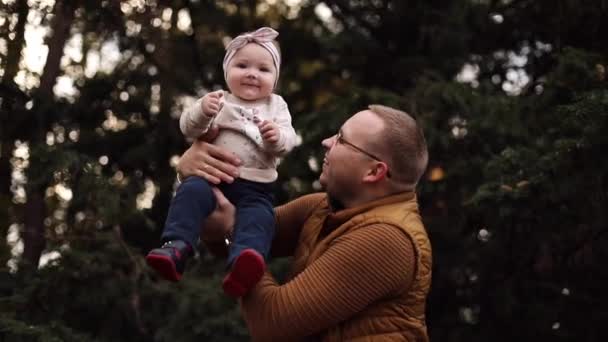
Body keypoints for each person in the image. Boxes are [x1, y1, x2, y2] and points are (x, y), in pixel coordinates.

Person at [179, 104, 432, 341]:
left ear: (374, 172)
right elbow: (220, 232)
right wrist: (198, 172)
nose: (327, 142)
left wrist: (233, 231)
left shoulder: (387, 239)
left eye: (341, 139)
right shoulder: (322, 207)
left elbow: (272, 324)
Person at [146, 27, 297, 298]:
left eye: (263, 69)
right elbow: (188, 128)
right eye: (242, 65)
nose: (252, 73)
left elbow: (289, 140)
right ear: (227, 71)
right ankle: (176, 246)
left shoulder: (276, 106)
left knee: (259, 217)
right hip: (212, 179)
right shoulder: (218, 101)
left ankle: (244, 263)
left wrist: (276, 137)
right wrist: (202, 112)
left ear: (275, 78)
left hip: (256, 187)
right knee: (190, 192)